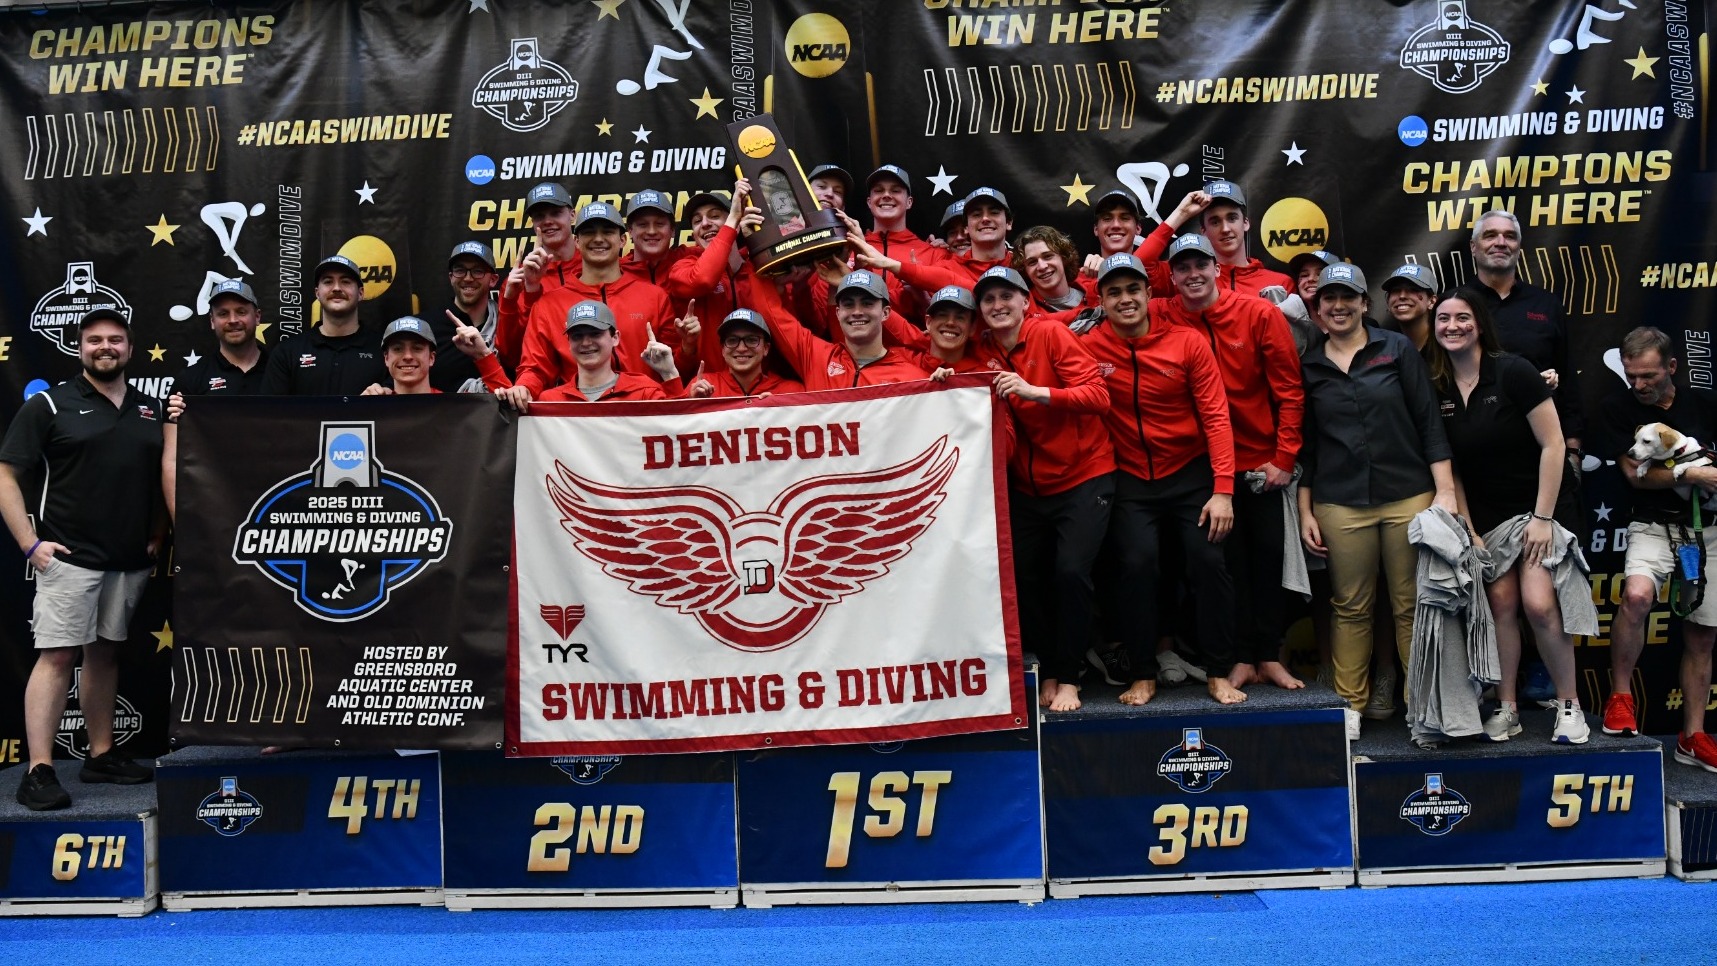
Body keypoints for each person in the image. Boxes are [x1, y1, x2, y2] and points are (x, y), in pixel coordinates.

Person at [0, 309, 165, 810]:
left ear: (130, 350)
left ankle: (100, 753)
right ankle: (39, 769)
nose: (105, 348)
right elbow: (7, 477)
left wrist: (157, 531)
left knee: (105, 653)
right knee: (57, 657)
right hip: (68, 559)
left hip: (128, 559)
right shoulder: (49, 404)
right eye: (95, 340)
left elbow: (164, 473)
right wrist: (31, 544)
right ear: (80, 348)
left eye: (116, 340)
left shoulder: (151, 408)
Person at [1422, 289, 1587, 743]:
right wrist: (1470, 531)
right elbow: (1449, 466)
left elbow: (1554, 445)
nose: (1452, 326)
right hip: (1487, 517)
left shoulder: (1514, 371)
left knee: (1537, 603)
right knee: (1501, 605)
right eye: (1443, 319)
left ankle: (1570, 705)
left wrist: (1542, 517)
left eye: (1462, 318)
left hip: (1539, 506)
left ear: (1479, 324)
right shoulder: (1436, 385)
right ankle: (1507, 706)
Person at [1080, 253, 1242, 706]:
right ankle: (1143, 672)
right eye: (1114, 292)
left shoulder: (1188, 343)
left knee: (1209, 563)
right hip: (1130, 478)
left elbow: (1216, 416)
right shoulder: (1089, 345)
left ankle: (1218, 671)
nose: (1125, 299)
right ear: (1102, 300)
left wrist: (1223, 490)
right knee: (1135, 566)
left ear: (1151, 294)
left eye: (1133, 289)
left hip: (1191, 475)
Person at [1298, 263, 1457, 719]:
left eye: (1348, 297)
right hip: (1338, 501)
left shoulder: (1397, 349)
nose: (1339, 305)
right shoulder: (1309, 365)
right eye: (1329, 299)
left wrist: (1444, 492)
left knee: (1412, 604)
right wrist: (1305, 510)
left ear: (1365, 304)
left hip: (1408, 494)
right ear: (1319, 309)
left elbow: (1429, 423)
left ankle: (1424, 707)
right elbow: (1306, 444)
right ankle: (1350, 707)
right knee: (1350, 607)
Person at [1155, 234, 1305, 691]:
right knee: (1222, 565)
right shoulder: (1163, 312)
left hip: (1260, 462)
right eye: (1182, 268)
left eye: (1201, 264)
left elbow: (1290, 391)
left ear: (1216, 267)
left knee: (1267, 559)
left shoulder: (1258, 313)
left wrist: (1284, 458)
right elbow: (1109, 292)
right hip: (1200, 466)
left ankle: (1269, 654)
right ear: (1173, 276)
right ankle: (1239, 656)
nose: (1193, 274)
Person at [969, 265, 1114, 712]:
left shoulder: (1051, 336)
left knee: (1070, 573)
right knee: (1023, 578)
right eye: (989, 300)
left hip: (1084, 474)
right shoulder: (981, 350)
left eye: (1006, 297)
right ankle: (1049, 668)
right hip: (1027, 488)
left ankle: (1070, 678)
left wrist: (1037, 392)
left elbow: (1098, 396)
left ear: (1024, 301)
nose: (998, 306)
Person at [1594, 327, 1717, 770]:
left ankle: (1693, 735)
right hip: (1651, 524)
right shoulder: (1615, 408)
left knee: (1703, 632)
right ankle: (1621, 698)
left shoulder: (1704, 404)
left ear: (1672, 367)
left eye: (1648, 376)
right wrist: (1691, 476)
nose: (1639, 385)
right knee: (1637, 596)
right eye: (1632, 376)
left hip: (1708, 530)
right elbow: (1634, 475)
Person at [513, 201, 685, 402]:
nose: (598, 239)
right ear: (577, 241)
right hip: (580, 417)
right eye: (589, 232)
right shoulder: (548, 304)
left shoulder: (655, 297)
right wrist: (524, 388)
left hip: (643, 413)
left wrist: (689, 346)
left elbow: (674, 365)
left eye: (607, 232)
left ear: (622, 240)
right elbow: (535, 368)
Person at [1467, 210, 1584, 459]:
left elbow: (1568, 379)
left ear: (1518, 247)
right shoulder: (1455, 303)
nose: (1500, 242)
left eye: (1509, 237)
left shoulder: (1546, 303)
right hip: (1475, 447)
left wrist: (1573, 450)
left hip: (1541, 446)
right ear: (1474, 247)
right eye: (1490, 235)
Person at [164, 278, 269, 516]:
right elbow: (171, 460)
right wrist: (181, 523)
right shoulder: (190, 380)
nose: (233, 321)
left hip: (274, 502)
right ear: (212, 321)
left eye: (241, 312)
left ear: (258, 316)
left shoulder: (281, 370)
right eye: (223, 314)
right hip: (212, 511)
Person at [749, 268, 943, 390]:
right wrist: (757, 256)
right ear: (838, 312)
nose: (857, 312)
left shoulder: (913, 378)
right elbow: (771, 313)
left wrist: (942, 389)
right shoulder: (816, 358)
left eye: (867, 303)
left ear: (885, 313)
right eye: (849, 304)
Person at [480, 301, 682, 410]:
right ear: (568, 342)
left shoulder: (644, 392)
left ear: (615, 338)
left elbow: (679, 431)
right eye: (577, 336)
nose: (586, 343)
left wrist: (670, 374)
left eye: (595, 334)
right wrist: (483, 357)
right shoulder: (550, 401)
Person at [1135, 182, 1294, 298]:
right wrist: (1181, 213)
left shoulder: (1280, 284)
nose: (1225, 229)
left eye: (1232, 218)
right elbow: (1139, 266)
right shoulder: (1188, 277)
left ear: (1245, 223)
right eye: (1215, 222)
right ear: (1203, 231)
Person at [259, 254, 388, 395]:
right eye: (328, 282)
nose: (337, 288)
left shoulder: (384, 350)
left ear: (361, 293)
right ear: (317, 293)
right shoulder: (287, 352)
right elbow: (270, 414)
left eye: (345, 281)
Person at [495, 182, 583, 367]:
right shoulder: (519, 279)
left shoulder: (594, 267)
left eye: (556, 213)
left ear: (572, 215)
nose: (548, 221)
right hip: (544, 388)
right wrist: (517, 297)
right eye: (539, 216)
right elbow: (510, 356)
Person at [685, 309, 805, 398]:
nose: (741, 348)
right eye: (732, 340)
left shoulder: (791, 392)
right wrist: (692, 405)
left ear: (766, 348)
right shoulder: (700, 386)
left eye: (751, 340)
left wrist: (783, 413)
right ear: (722, 349)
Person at [432, 241, 502, 393]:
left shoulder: (508, 325)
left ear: (493, 279)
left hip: (499, 414)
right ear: (451, 277)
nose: (468, 278)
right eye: (460, 270)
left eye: (478, 271)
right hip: (442, 415)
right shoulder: (428, 327)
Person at [619, 189, 694, 288]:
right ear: (630, 231)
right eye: (643, 224)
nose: (651, 231)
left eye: (659, 224)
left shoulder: (692, 259)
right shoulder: (617, 271)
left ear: (672, 230)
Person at [1014, 226, 1096, 314]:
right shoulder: (1024, 312)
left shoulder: (1096, 289)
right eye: (1032, 262)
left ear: (1064, 258)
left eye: (1047, 256)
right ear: (1025, 270)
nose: (1042, 266)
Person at [362, 318, 442, 396]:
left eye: (417, 348)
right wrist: (361, 406)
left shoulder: (450, 404)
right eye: (398, 349)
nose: (408, 356)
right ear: (386, 358)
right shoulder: (375, 405)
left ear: (431, 358)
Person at [1380, 263, 1437, 350]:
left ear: (1432, 301)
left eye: (1413, 290)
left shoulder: (1446, 345)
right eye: (1396, 290)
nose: (1402, 296)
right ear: (1388, 301)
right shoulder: (1382, 348)